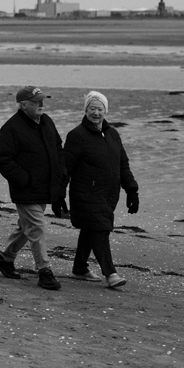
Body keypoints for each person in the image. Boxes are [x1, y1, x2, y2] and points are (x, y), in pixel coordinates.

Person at [0, 85, 69, 290]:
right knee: (37, 227)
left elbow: (58, 149)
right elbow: (3, 160)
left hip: (45, 187)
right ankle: (45, 271)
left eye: (42, 101)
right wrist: (24, 179)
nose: (41, 104)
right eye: (36, 102)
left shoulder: (47, 122)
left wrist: (61, 180)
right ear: (24, 105)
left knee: (27, 227)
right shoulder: (11, 128)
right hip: (25, 189)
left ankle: (5, 259)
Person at [63, 90, 139, 289]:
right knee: (100, 229)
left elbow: (123, 164)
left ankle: (79, 268)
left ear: (106, 111)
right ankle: (110, 273)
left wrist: (131, 190)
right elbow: (65, 168)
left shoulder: (113, 134)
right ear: (85, 110)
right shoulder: (77, 135)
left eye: (100, 109)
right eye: (92, 108)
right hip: (86, 194)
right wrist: (58, 195)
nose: (96, 113)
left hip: (108, 195)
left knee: (91, 228)